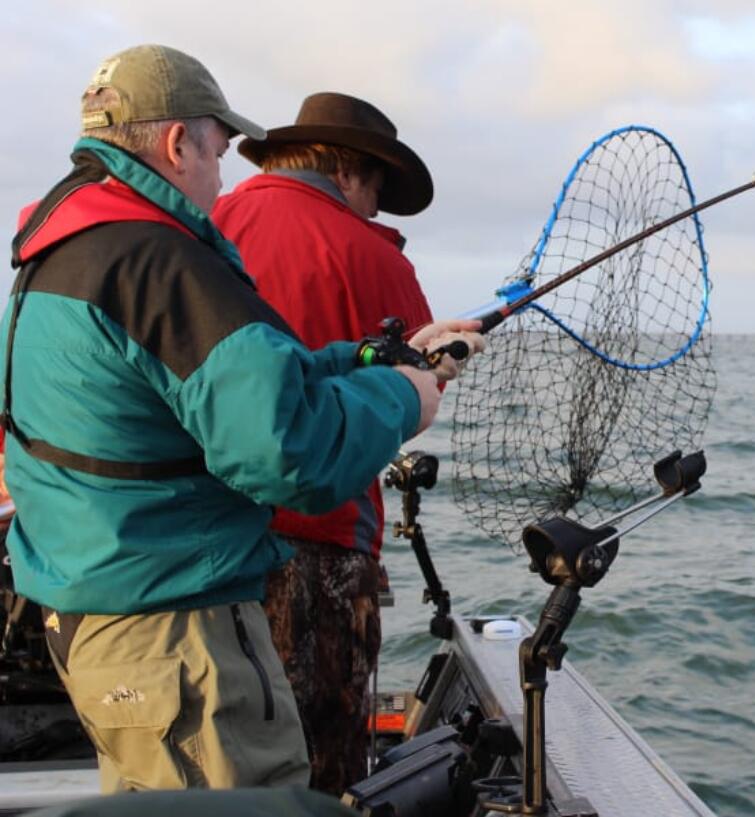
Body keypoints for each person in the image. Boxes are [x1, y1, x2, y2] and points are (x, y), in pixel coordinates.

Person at [0, 44, 483, 793]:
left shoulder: (59, 252)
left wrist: (368, 359)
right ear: (177, 143)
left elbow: (230, 379)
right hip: (176, 627)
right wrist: (408, 394)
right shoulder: (162, 261)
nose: (223, 175)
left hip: (95, 612)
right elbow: (288, 451)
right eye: (219, 150)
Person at [211, 93, 438, 794]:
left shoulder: (204, 225)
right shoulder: (374, 257)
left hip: (208, 541)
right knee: (326, 758)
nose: (374, 212)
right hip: (324, 548)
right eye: (375, 192)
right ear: (348, 170)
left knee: (231, 747)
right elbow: (418, 392)